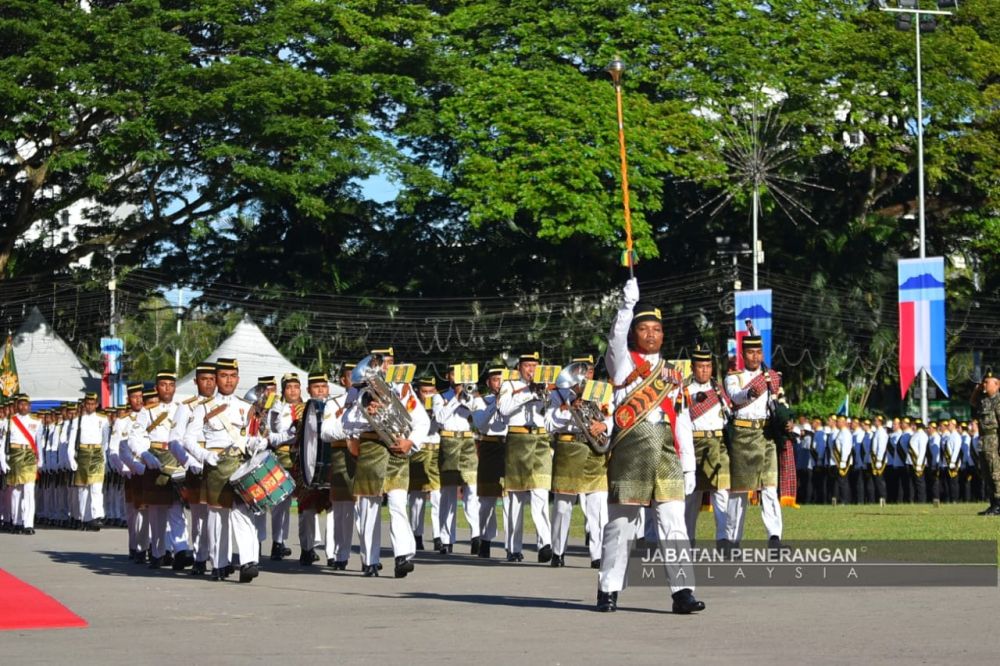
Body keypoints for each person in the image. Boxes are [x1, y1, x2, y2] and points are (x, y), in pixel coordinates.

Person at [597, 278, 703, 614]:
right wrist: (627, 306)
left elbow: (681, 420)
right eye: (645, 328)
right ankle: (609, 589)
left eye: (657, 329)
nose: (652, 334)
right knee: (623, 525)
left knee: (674, 523)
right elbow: (615, 336)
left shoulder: (672, 373)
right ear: (635, 332)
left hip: (666, 454)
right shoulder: (622, 362)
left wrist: (689, 464)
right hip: (630, 451)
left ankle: (682, 591)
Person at [339, 351, 429, 578]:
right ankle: (370, 560)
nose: (385, 368)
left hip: (397, 447)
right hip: (371, 448)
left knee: (398, 501)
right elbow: (346, 423)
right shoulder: (357, 390)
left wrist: (412, 442)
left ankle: (404, 555)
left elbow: (421, 420)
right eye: (380, 363)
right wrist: (365, 413)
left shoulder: (402, 388)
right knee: (369, 506)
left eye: (388, 363)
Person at [183, 358, 269, 582]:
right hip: (216, 465)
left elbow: (251, 437)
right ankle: (219, 563)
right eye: (224, 376)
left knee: (244, 513)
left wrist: (256, 443)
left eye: (232, 376)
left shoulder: (246, 406)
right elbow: (188, 439)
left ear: (238, 379)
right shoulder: (203, 407)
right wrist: (204, 455)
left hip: (240, 465)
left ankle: (249, 562)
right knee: (217, 516)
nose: (228, 380)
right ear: (216, 378)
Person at [724, 325, 789, 547]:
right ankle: (732, 541)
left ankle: (774, 537)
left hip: (766, 435)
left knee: (770, 488)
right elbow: (735, 396)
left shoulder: (772, 378)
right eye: (751, 353)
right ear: (743, 355)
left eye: (759, 352)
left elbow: (780, 403)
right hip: (743, 436)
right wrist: (749, 393)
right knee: (739, 493)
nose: (755, 356)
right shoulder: (734, 377)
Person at [545, 356, 611, 569]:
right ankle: (558, 551)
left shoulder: (602, 391)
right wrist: (568, 408)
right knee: (563, 506)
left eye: (589, 372)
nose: (584, 377)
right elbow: (548, 423)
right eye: (580, 373)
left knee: (597, 505)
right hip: (569, 448)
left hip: (594, 449)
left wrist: (604, 424)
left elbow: (615, 415)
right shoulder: (558, 393)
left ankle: (597, 554)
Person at [129, 374, 192, 570]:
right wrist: (144, 454)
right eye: (163, 385)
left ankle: (180, 549)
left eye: (171, 385)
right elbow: (135, 437)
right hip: (155, 460)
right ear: (157, 387)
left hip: (176, 458)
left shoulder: (183, 409)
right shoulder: (146, 413)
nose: (167, 389)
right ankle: (158, 552)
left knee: (176, 508)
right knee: (157, 512)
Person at [498, 352, 554, 563]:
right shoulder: (510, 386)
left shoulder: (546, 386)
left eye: (534, 366)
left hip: (540, 439)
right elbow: (504, 409)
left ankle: (545, 544)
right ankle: (514, 547)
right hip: (518, 439)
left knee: (541, 492)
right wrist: (529, 392)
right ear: (520, 367)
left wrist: (547, 396)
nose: (531, 370)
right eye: (528, 366)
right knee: (516, 497)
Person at [679, 345, 731, 549]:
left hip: (718, 445)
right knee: (692, 497)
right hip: (693, 445)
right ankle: (687, 540)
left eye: (708, 366)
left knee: (722, 494)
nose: (705, 371)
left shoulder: (718, 390)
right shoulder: (684, 390)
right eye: (700, 367)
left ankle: (723, 539)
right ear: (693, 368)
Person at [433, 365, 483, 554]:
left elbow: (479, 416)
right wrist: (455, 398)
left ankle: (475, 535)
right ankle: (447, 539)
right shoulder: (440, 397)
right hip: (448, 441)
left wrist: (470, 398)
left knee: (472, 489)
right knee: (448, 492)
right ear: (448, 376)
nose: (458, 378)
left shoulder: (472, 395)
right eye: (454, 374)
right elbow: (440, 418)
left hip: (468, 440)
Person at [175, 363, 217, 573]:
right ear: (195, 381)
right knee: (200, 516)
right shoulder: (187, 407)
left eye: (212, 379)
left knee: (219, 514)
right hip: (196, 463)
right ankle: (200, 557)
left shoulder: (226, 405)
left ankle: (219, 557)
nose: (209, 383)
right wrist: (189, 462)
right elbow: (175, 440)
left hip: (220, 462)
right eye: (204, 379)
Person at [265, 373, 304, 561]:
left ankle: (307, 546)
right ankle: (278, 542)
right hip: (283, 455)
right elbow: (271, 437)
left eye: (296, 387)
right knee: (281, 502)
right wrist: (289, 434)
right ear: (283, 390)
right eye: (289, 387)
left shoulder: (308, 407)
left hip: (303, 457)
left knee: (306, 501)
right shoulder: (276, 409)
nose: (293, 391)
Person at [472, 367, 508, 559]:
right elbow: (481, 425)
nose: (499, 383)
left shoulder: (514, 398)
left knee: (511, 499)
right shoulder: (481, 401)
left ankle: (512, 546)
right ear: (488, 383)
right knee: (487, 501)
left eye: (502, 380)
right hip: (489, 446)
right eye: (495, 379)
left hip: (510, 447)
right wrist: (495, 404)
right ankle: (485, 540)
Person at [67, 391, 110, 530]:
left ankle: (97, 516)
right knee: (83, 488)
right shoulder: (77, 420)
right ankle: (84, 518)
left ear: (96, 405)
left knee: (97, 487)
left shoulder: (103, 419)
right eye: (88, 404)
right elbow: (72, 441)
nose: (90, 406)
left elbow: (105, 441)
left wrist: (104, 457)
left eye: (93, 404)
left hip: (97, 452)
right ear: (85, 405)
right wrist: (71, 457)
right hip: (83, 453)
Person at [409, 376, 442, 552]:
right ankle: (416, 534)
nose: (428, 395)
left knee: (437, 495)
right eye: (424, 391)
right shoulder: (412, 406)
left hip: (435, 447)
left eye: (431, 391)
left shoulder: (439, 402)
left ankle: (438, 536)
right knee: (417, 497)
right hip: (419, 449)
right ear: (418, 391)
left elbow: (445, 421)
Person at [3, 394, 42, 534]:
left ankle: (28, 523)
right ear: (17, 405)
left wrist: (41, 460)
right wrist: (3, 460)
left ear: (29, 406)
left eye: (26, 404)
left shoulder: (36, 422)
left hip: (30, 457)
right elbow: (3, 444)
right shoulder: (9, 421)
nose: (23, 407)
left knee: (29, 490)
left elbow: (39, 443)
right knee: (16, 491)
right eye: (21, 404)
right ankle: (17, 521)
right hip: (15, 456)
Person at [971, 370, 1000, 515]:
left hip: (994, 441)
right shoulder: (984, 400)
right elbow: (973, 402)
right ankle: (993, 503)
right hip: (984, 441)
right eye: (984, 381)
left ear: (997, 384)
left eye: (987, 382)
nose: (984, 384)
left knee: (996, 473)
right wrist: (977, 390)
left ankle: (998, 504)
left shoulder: (998, 401)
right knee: (987, 473)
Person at [907, 420, 929, 504]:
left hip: (917, 463)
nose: (912, 427)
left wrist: (919, 463)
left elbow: (922, 450)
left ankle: (921, 501)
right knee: (912, 483)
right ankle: (912, 500)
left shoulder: (922, 435)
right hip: (911, 462)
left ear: (917, 426)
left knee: (920, 483)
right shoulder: (915, 434)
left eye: (913, 425)